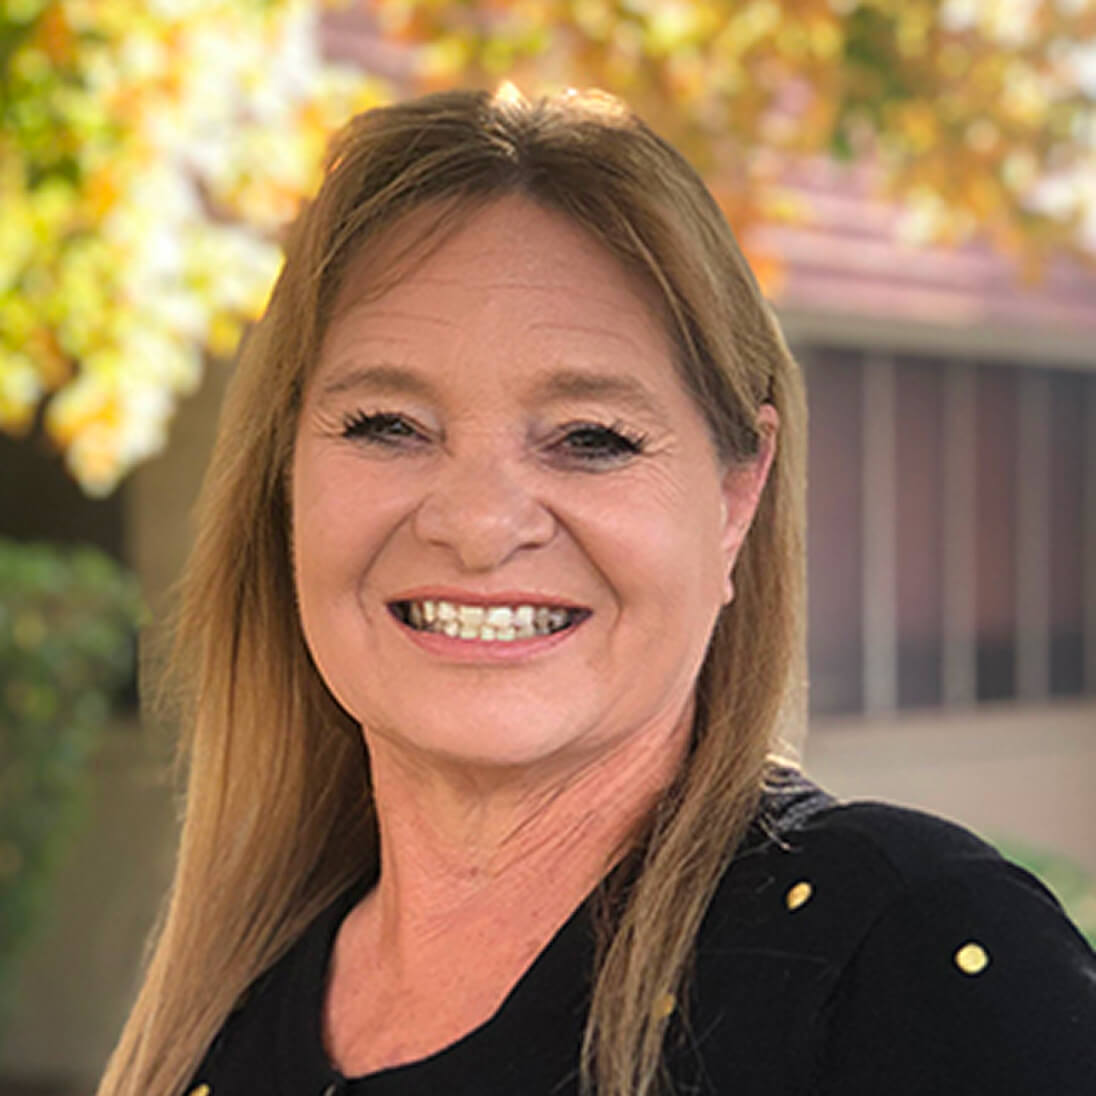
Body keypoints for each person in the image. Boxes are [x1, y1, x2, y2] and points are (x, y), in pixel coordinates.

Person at [97, 86, 1096, 1096]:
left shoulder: (904, 961)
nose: (479, 524)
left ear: (736, 492)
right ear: (284, 477)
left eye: (591, 438)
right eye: (387, 424)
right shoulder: (225, 1020)